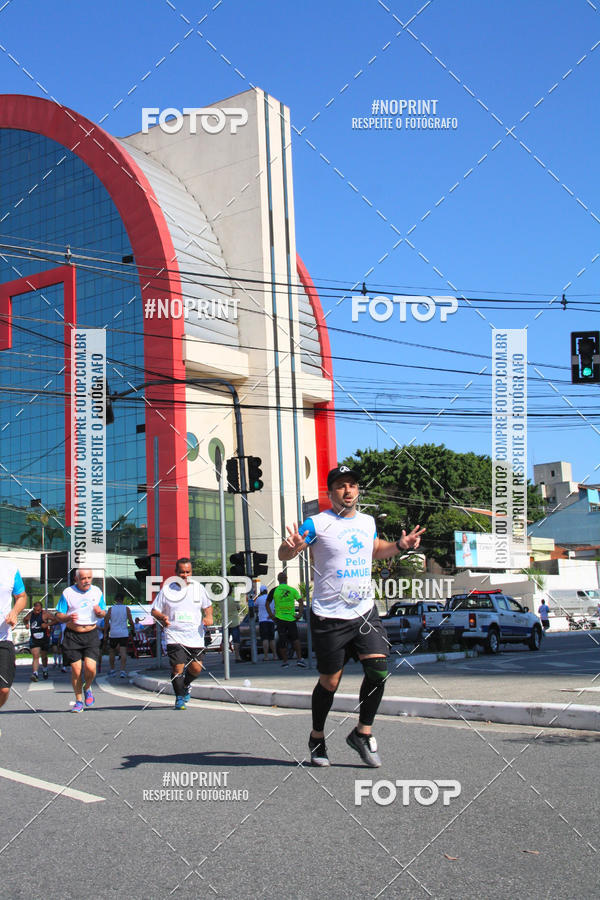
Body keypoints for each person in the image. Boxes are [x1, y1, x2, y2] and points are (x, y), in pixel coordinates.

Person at [279, 465, 425, 768]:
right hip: (329, 615)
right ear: (331, 492)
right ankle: (317, 737)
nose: (348, 490)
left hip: (364, 611)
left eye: (353, 485)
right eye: (341, 486)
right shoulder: (317, 523)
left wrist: (400, 545)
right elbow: (286, 552)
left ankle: (362, 732)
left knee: (378, 670)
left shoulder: (367, 521)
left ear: (358, 490)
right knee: (330, 682)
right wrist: (290, 548)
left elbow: (375, 549)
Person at [151, 557, 213, 710]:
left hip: (195, 636)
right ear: (176, 572)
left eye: (188, 572)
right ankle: (179, 698)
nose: (185, 575)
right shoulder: (167, 590)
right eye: (182, 572)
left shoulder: (198, 588)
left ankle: (185, 685)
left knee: (196, 669)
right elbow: (154, 610)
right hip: (174, 635)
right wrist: (162, 617)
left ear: (191, 572)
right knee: (177, 668)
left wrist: (209, 616)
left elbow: (208, 606)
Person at [55, 569, 106, 712]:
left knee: (90, 668)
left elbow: (103, 612)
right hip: (73, 635)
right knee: (76, 670)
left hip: (91, 634)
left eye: (89, 577)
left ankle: (87, 687)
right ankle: (78, 701)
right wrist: (68, 617)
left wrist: (100, 613)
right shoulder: (68, 592)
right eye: (83, 578)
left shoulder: (97, 591)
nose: (87, 581)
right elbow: (58, 614)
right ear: (76, 579)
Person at [0, 561, 28, 712]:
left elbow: (21, 597)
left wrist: (14, 612)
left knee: (4, 689)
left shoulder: (10, 569)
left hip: (3, 638)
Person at [266, 573, 306, 668]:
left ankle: (285, 662)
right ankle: (299, 659)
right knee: (295, 639)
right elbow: (301, 601)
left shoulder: (274, 590)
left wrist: (271, 615)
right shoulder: (292, 590)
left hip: (280, 619)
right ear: (286, 579)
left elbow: (267, 604)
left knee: (282, 640)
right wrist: (299, 614)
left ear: (278, 579)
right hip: (291, 618)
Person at [104, 592, 134, 678]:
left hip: (113, 633)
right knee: (123, 651)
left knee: (112, 652)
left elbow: (106, 622)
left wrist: (105, 633)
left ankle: (112, 670)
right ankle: (122, 671)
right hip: (123, 633)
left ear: (115, 600)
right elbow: (130, 620)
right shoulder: (126, 609)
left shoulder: (111, 609)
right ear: (123, 599)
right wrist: (133, 628)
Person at [24, 601, 54, 681]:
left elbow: (56, 620)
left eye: (38, 610)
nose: (37, 612)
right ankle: (35, 673)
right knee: (35, 656)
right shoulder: (31, 614)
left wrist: (47, 625)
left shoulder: (45, 614)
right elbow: (25, 619)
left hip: (44, 638)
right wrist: (26, 624)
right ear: (33, 608)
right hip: (34, 638)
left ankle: (45, 669)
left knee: (44, 656)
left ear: (41, 609)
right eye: (35, 610)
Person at [254, 586, 277, 661]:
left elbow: (254, 605)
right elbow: (275, 608)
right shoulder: (272, 599)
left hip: (262, 621)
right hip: (271, 620)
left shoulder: (259, 599)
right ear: (267, 591)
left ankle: (266, 656)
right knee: (272, 639)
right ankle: (274, 655)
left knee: (265, 639)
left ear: (261, 592)